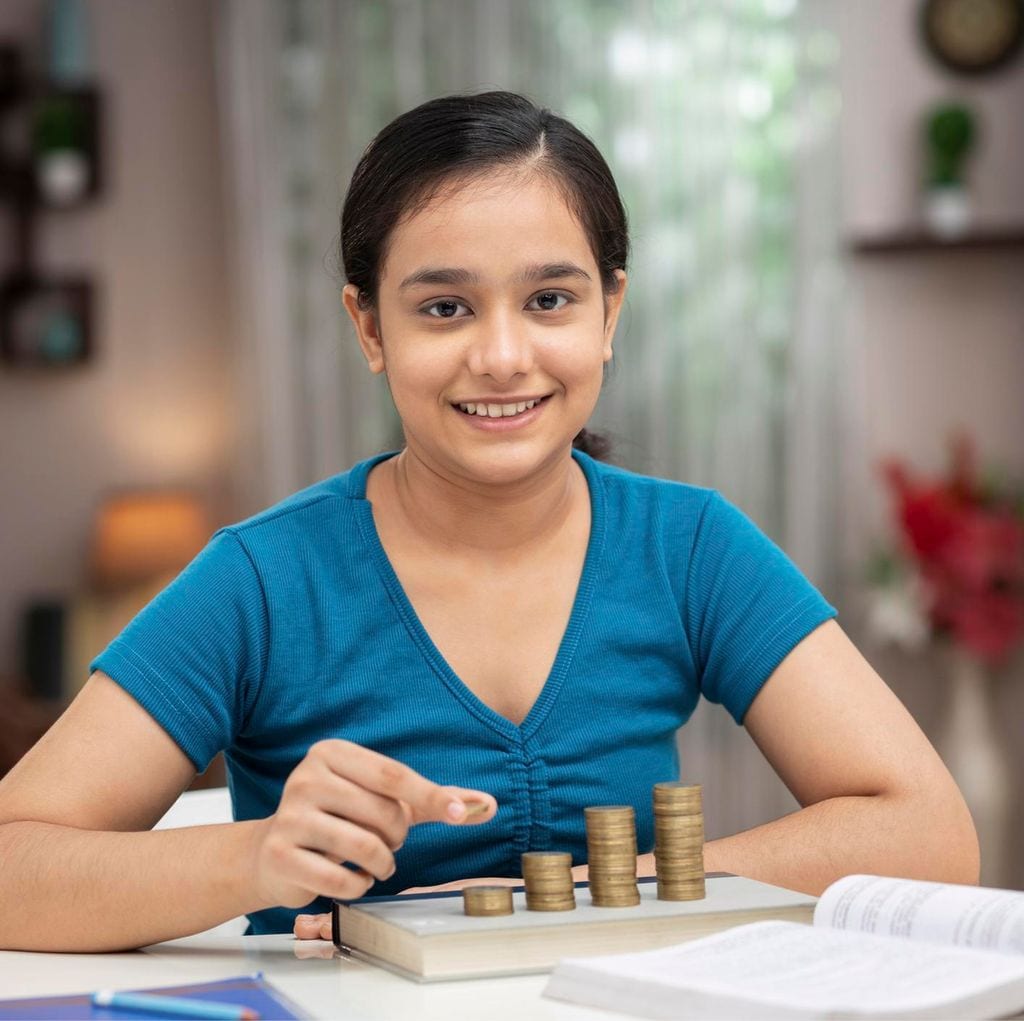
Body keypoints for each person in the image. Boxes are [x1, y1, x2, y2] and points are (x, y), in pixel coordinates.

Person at [0, 92, 977, 954]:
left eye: (550, 298)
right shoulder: (259, 581)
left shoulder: (691, 548)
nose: (503, 356)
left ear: (610, 312)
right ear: (369, 327)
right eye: (444, 308)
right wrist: (256, 859)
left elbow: (928, 835)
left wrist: (591, 893)